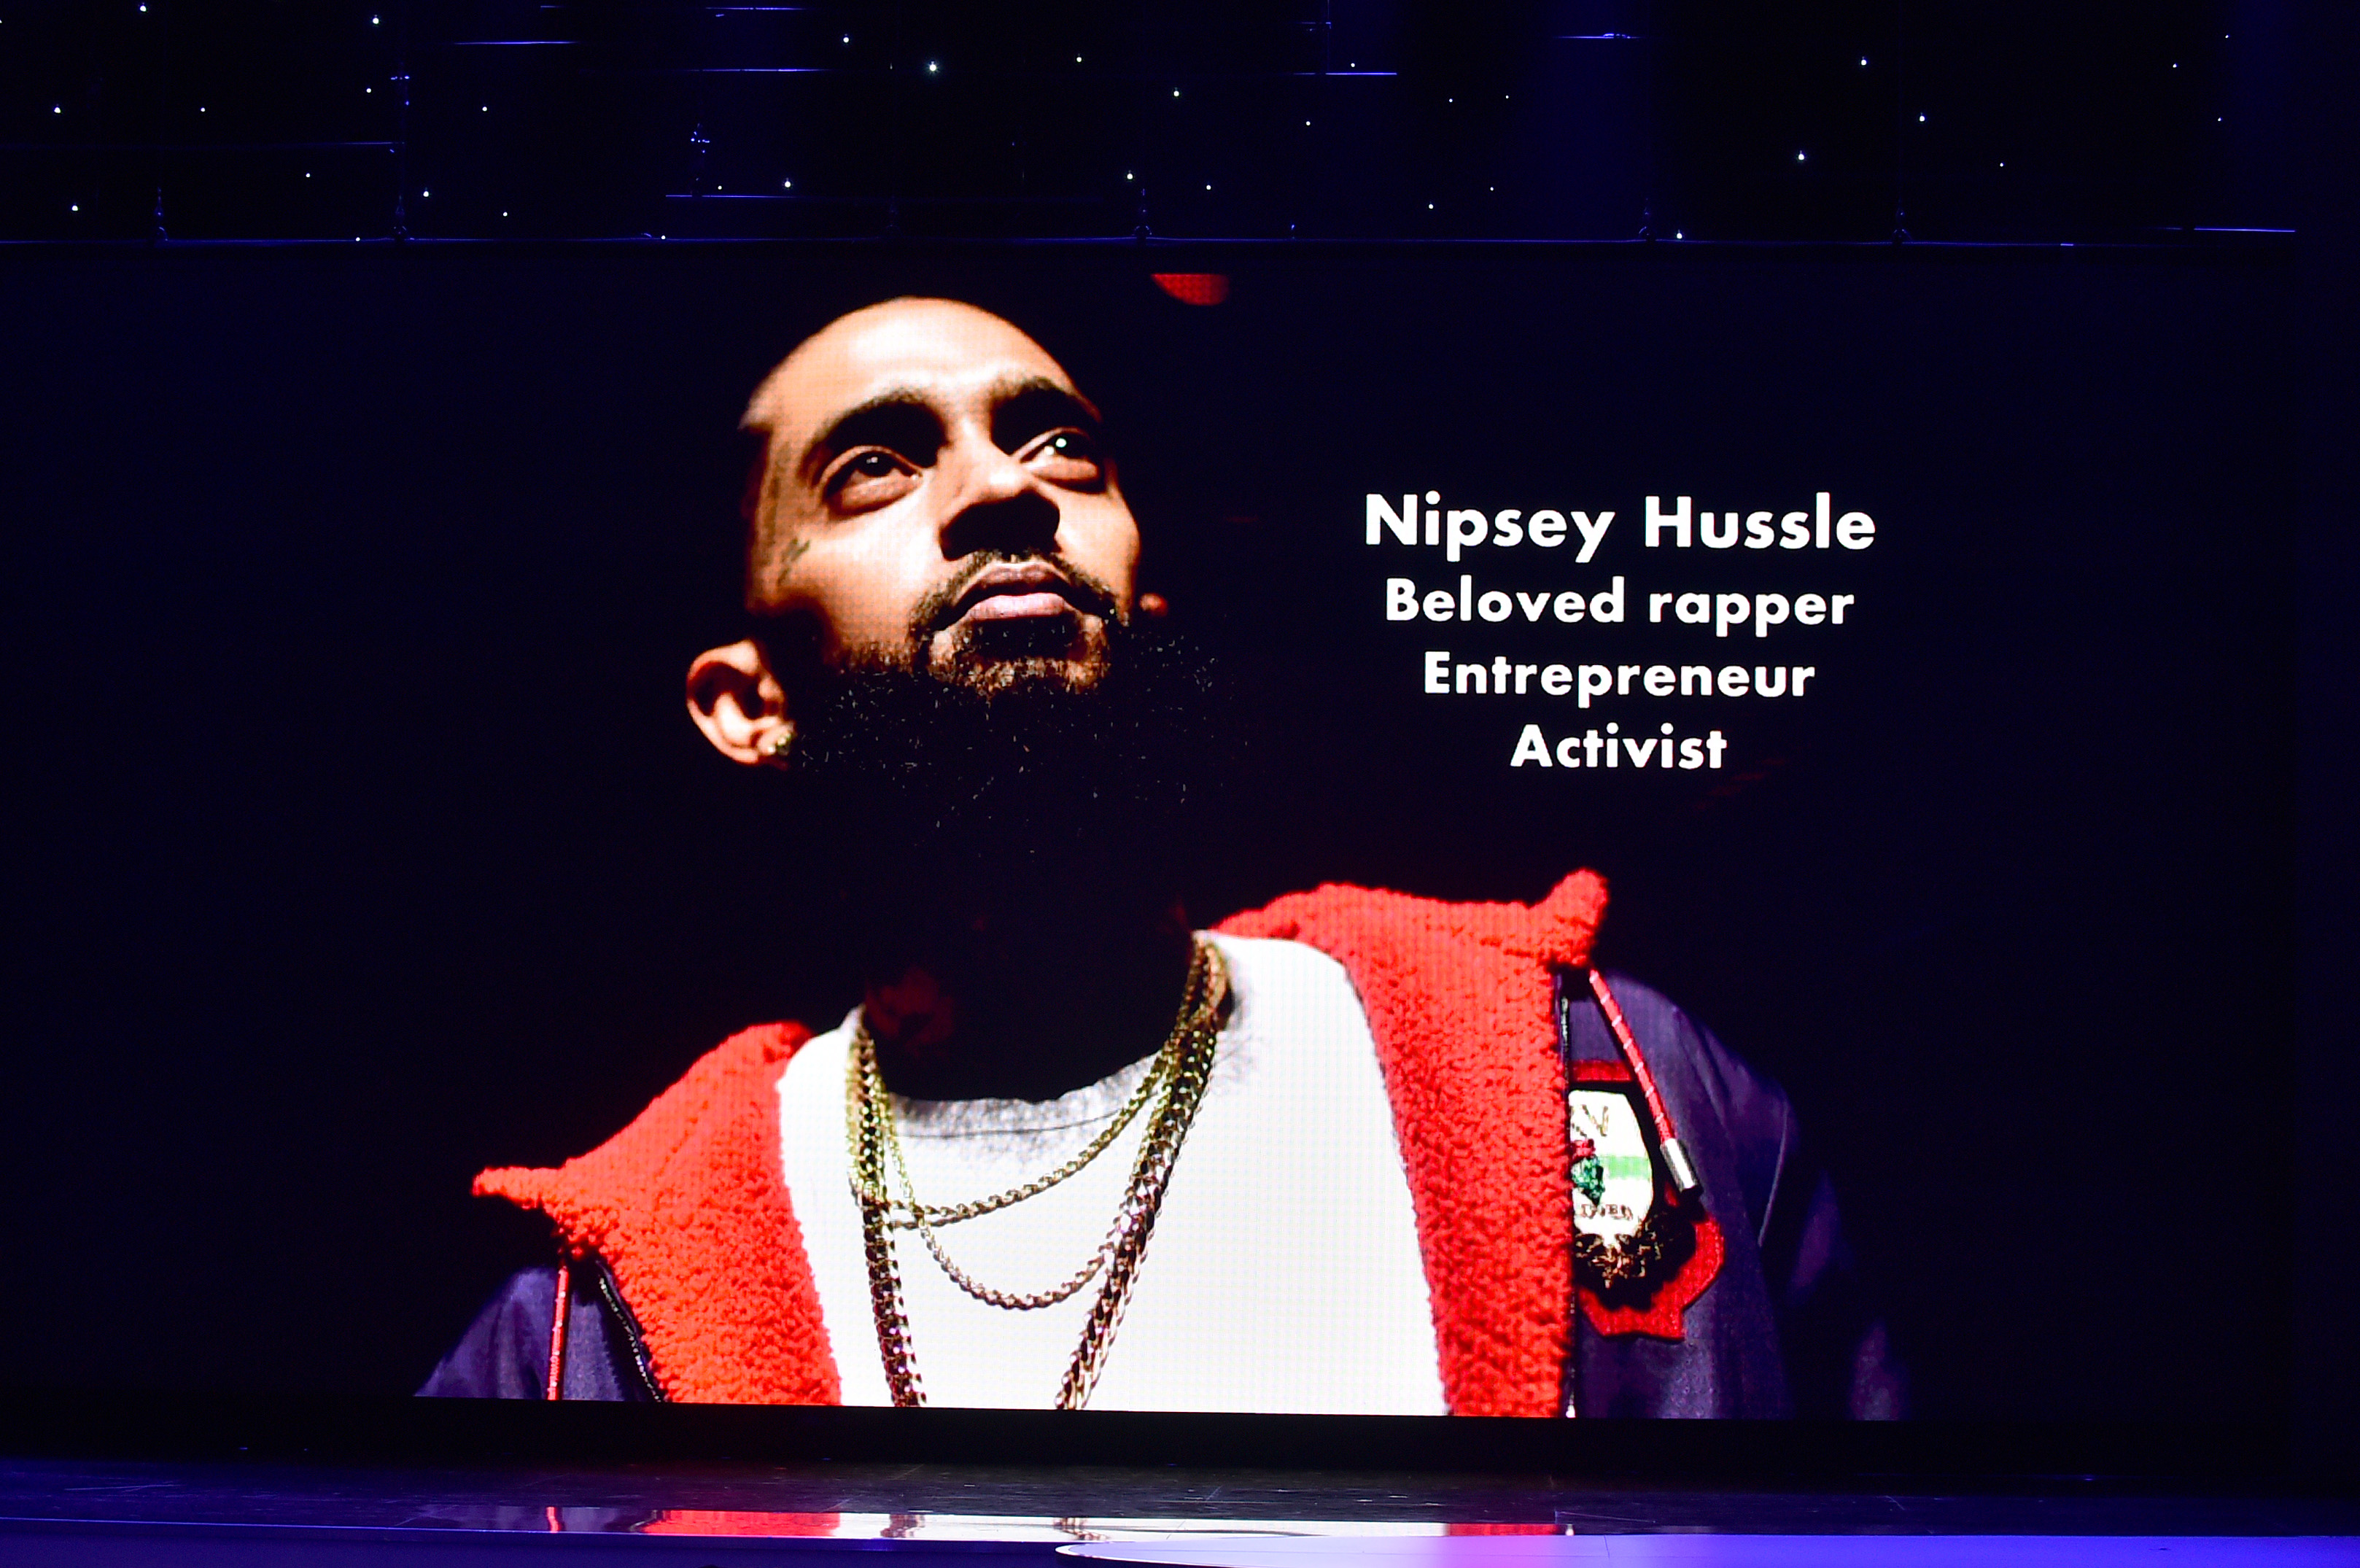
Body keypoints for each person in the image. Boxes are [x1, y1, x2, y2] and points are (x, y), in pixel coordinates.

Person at [421, 297, 1901, 1418]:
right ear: (750, 706)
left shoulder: (1626, 1082)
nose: (1006, 494)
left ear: (1152, 610)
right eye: (877, 467)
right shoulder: (587, 1323)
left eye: (1060, 446)